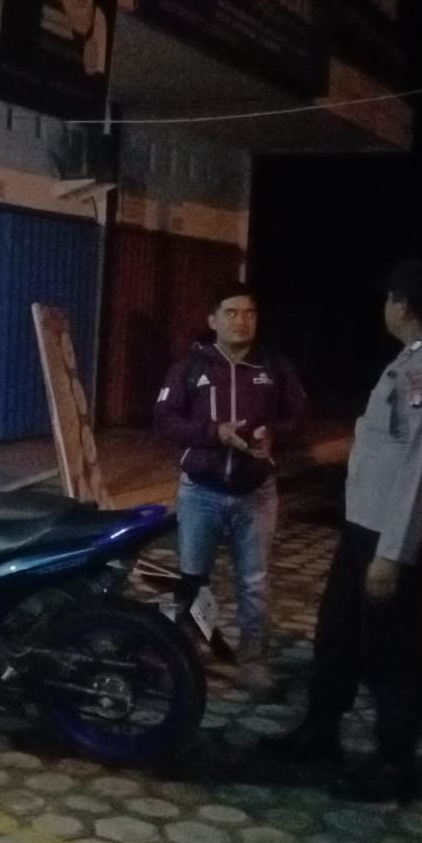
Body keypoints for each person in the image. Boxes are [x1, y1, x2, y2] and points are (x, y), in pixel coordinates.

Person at [260, 259, 422, 802]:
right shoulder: (414, 357)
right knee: (338, 634)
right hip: (366, 526)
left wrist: (392, 554)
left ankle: (394, 765)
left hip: (395, 538)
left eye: (391, 298)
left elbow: (421, 467)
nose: (386, 307)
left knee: (391, 652)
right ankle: (320, 733)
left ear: (405, 305)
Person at [155, 282, 308, 683]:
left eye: (249, 313)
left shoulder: (274, 367)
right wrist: (214, 433)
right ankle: (189, 653)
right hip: (200, 492)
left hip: (256, 493)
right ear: (213, 320)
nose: (241, 321)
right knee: (193, 580)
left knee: (254, 584)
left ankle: (254, 661)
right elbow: (164, 420)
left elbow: (299, 417)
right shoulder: (190, 367)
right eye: (231, 313)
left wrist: (274, 435)